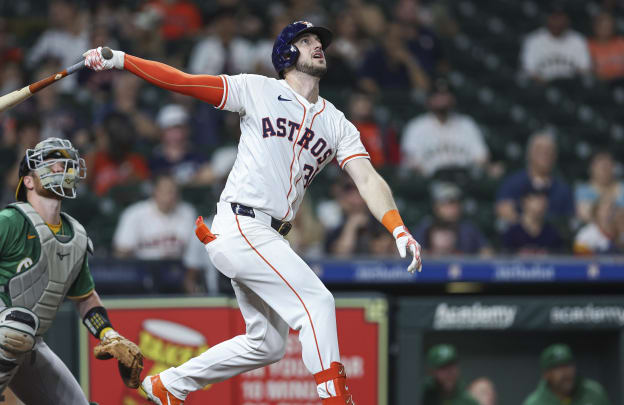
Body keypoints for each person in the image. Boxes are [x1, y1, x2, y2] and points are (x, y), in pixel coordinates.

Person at [84, 19, 422, 405]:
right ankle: (336, 399)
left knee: (267, 344)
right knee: (317, 302)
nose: (317, 46)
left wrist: (397, 228)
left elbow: (367, 179)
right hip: (243, 222)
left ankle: (167, 386)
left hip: (268, 236)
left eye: (319, 41)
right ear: (286, 53)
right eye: (306, 40)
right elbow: (184, 81)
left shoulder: (337, 123)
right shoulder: (258, 89)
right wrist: (122, 59)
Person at [0, 138, 138, 404]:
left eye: (65, 163)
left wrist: (110, 335)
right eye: (51, 164)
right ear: (28, 181)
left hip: (28, 340)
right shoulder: (9, 221)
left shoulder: (75, 236)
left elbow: (86, 298)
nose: (61, 168)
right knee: (17, 324)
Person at [401, 80, 489, 177]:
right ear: (429, 99)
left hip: (465, 179)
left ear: (453, 98)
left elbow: (481, 156)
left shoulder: (467, 124)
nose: (442, 99)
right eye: (437, 95)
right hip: (431, 182)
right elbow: (411, 161)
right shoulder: (416, 126)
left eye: (445, 94)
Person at [496, 131, 573, 226]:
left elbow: (569, 220)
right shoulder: (513, 183)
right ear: (529, 153)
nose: (545, 154)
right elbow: (503, 210)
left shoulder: (563, 189)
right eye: (539, 150)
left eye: (549, 150)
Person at [112, 174, 197, 259]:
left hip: (178, 266)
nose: (171, 196)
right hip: (143, 267)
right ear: (155, 191)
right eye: (166, 191)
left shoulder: (188, 212)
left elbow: (196, 250)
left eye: (174, 191)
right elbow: (122, 250)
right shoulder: (134, 213)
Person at [412, 183, 490, 255]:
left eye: (454, 204)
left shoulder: (468, 228)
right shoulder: (426, 227)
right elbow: (413, 253)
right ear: (436, 207)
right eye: (446, 204)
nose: (451, 209)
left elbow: (486, 251)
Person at [521, 4, 591, 82]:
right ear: (547, 18)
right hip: (542, 86)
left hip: (571, 86)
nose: (557, 22)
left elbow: (585, 69)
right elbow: (528, 70)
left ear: (567, 19)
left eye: (560, 17)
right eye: (554, 18)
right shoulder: (533, 40)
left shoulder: (578, 40)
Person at [522, 344, 611, 405]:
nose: (566, 373)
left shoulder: (594, 393)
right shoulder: (535, 403)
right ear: (546, 374)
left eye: (568, 365)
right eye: (558, 368)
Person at [501, 187, 563, 255]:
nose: (542, 204)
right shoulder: (511, 233)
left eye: (544, 200)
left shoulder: (552, 233)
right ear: (524, 202)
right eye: (537, 199)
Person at [574, 151, 624, 223]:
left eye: (608, 166)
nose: (604, 170)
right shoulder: (582, 191)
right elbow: (585, 215)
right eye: (601, 167)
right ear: (592, 168)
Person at [588, 12, 624, 83]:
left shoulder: (621, 43)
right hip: (599, 84)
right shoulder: (588, 46)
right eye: (603, 26)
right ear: (595, 27)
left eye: (608, 26)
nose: (606, 29)